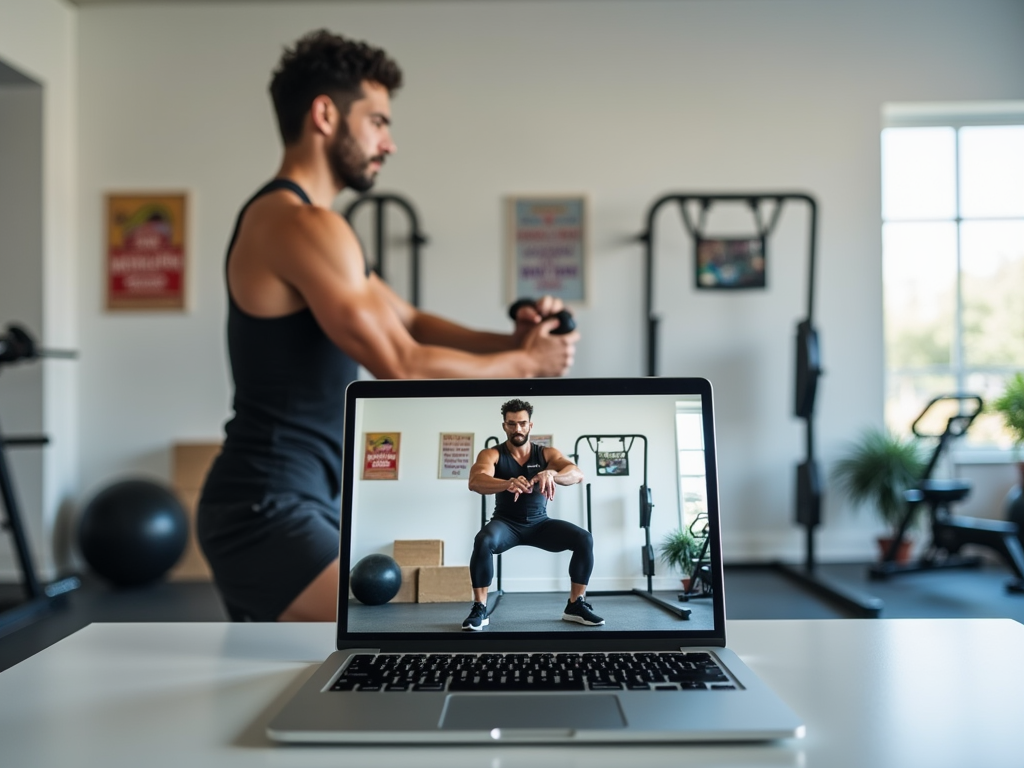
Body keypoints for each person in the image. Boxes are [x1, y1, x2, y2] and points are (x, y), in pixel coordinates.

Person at [196, 30, 579, 624]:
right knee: (382, 635)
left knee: (311, 670)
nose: (389, 143)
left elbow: (411, 322)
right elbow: (401, 364)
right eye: (377, 121)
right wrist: (527, 366)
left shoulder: (312, 226)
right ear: (325, 114)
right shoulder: (299, 224)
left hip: (299, 497)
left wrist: (516, 342)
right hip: (264, 506)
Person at [464, 399, 603, 630]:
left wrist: (551, 474)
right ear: (504, 426)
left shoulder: (546, 453)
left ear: (530, 425)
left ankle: (575, 604)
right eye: (511, 424)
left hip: (540, 525)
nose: (517, 429)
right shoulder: (492, 454)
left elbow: (576, 474)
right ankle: (480, 608)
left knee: (583, 538)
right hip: (505, 524)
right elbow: (475, 481)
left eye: (522, 423)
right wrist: (507, 482)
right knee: (483, 540)